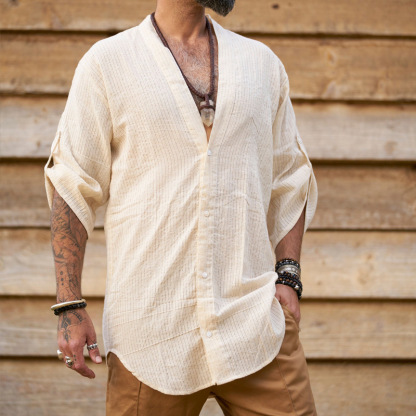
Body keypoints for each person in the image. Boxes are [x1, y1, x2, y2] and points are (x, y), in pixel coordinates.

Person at [44, 0, 319, 414]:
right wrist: (69, 305)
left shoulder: (261, 65)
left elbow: (291, 176)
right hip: (150, 337)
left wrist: (289, 276)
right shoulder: (108, 64)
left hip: (255, 327)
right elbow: (72, 184)